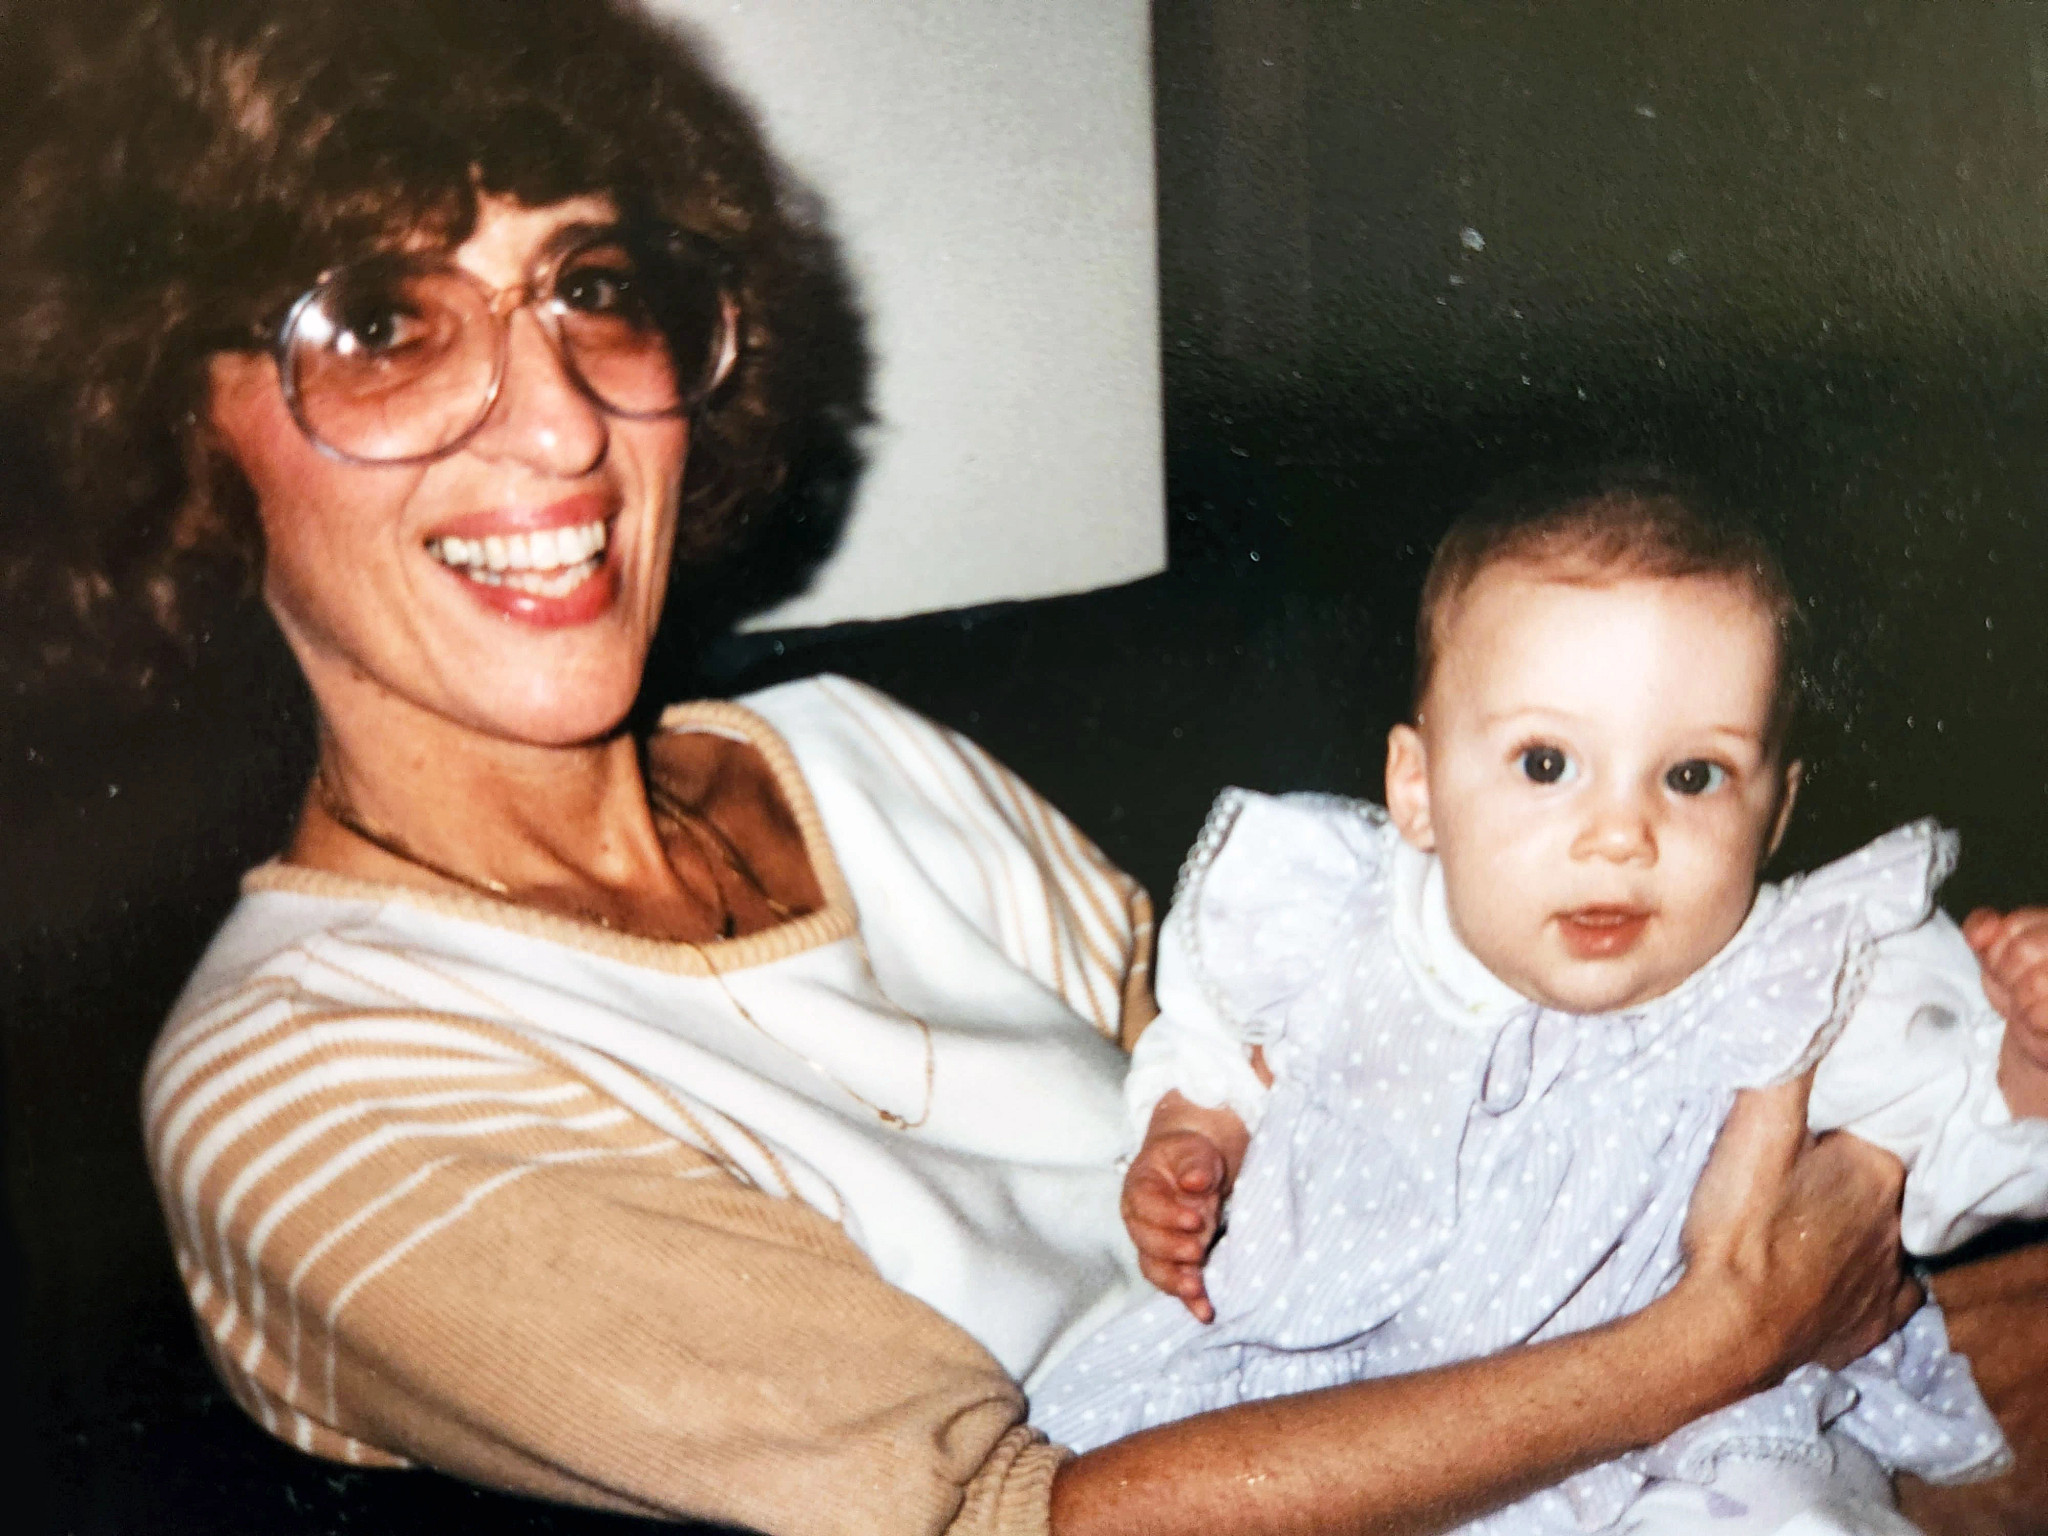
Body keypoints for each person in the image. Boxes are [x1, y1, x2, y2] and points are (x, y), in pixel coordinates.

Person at [0, 3, 1967, 1533]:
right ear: (168, 432)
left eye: (593, 286)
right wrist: (1712, 1336)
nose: (557, 427)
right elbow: (1009, 1521)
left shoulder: (861, 760)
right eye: (380, 325)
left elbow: (1318, 1068)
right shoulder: (301, 1084)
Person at [1029, 475, 2048, 1535]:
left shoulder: (1796, 971)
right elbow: (1216, 1056)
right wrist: (1190, 1141)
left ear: (1777, 806)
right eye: (1546, 763)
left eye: (1691, 777)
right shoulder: (1340, 924)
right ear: (1416, 788)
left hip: (1679, 1444)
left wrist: (2027, 1058)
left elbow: (1941, 1176)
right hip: (1322, 1398)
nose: (1618, 834)